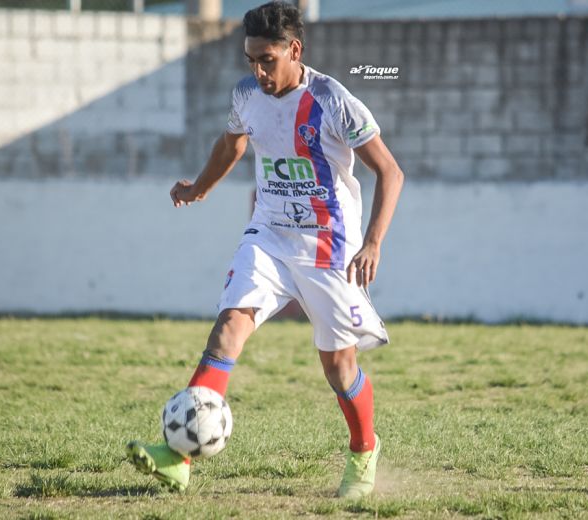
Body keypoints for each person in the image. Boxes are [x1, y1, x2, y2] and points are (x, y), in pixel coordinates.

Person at [126, 1, 404, 499]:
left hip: (329, 249)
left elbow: (390, 171)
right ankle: (180, 456)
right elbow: (232, 144)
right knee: (229, 326)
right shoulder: (247, 95)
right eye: (250, 60)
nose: (257, 71)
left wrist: (373, 243)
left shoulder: (333, 101)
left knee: (339, 369)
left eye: (267, 60)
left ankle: (364, 451)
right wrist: (200, 188)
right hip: (269, 236)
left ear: (295, 51)